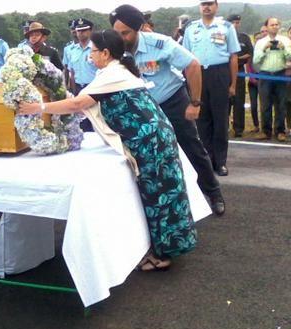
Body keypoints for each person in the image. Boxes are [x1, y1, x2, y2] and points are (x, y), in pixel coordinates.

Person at [19, 29, 197, 270]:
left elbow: (78, 104)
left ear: (105, 53)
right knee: (162, 189)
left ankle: (163, 254)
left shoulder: (113, 73)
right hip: (151, 137)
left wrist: (38, 107)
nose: (89, 56)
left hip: (149, 141)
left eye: (92, 51)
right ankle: (166, 248)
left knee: (158, 193)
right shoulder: (113, 71)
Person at [110, 4, 225, 215]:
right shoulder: (115, 49)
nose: (121, 37)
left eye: (125, 33)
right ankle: (161, 202)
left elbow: (192, 64)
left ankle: (213, 192)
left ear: (139, 29)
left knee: (192, 148)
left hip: (173, 102)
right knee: (149, 155)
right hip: (143, 110)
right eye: (117, 33)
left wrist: (195, 103)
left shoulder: (160, 43)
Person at [183, 0, 240, 176]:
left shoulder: (226, 27)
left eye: (210, 3)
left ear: (216, 6)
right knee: (202, 120)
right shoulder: (191, 29)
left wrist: (232, 84)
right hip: (198, 74)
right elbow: (185, 57)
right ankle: (206, 161)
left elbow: (233, 57)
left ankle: (220, 162)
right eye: (203, 4)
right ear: (200, 7)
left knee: (221, 119)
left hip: (219, 74)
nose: (206, 7)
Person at [253, 17, 291, 141]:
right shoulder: (260, 42)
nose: (275, 27)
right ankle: (266, 131)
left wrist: (283, 48)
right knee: (265, 105)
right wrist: (265, 48)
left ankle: (280, 131)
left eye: (277, 24)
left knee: (281, 104)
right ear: (266, 27)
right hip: (265, 75)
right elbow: (255, 61)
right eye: (272, 25)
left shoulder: (285, 41)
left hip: (280, 74)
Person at [227, 14, 254, 138]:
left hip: (239, 71)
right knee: (224, 101)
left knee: (239, 101)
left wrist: (236, 59)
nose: (235, 25)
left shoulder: (244, 37)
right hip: (224, 71)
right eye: (233, 22)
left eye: (237, 22)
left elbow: (249, 53)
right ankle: (224, 126)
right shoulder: (222, 37)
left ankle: (238, 129)